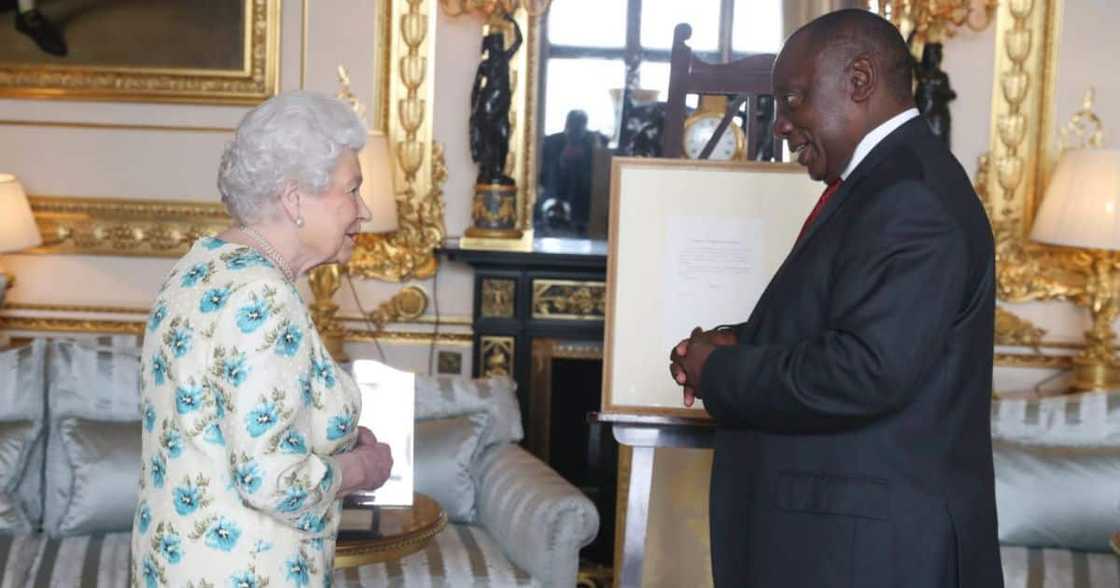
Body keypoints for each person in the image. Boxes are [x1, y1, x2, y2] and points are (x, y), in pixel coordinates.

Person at [669, 10, 1001, 588]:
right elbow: (841, 322)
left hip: (868, 557)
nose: (780, 126)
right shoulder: (884, 183)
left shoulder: (911, 196)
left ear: (860, 81)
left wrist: (721, 370)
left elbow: (865, 370)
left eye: (792, 99)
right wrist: (741, 341)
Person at [131, 91, 394, 587]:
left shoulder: (199, 267)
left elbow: (218, 421)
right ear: (295, 199)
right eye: (352, 189)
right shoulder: (263, 295)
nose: (364, 209)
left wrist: (330, 436)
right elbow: (272, 480)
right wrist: (362, 469)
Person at [469, 12, 521, 186]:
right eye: (496, 44)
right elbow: (476, 89)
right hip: (488, 107)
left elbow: (519, 41)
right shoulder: (485, 65)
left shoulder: (504, 59)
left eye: (500, 43)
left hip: (501, 107)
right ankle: (489, 171)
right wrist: (474, 112)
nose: (499, 46)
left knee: (503, 138)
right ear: (491, 47)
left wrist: (512, 21)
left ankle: (498, 171)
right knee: (490, 140)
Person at [538, 110, 601, 234]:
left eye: (580, 127)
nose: (576, 131)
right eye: (573, 126)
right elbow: (545, 171)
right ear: (567, 125)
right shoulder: (553, 141)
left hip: (581, 189)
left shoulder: (590, 143)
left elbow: (596, 170)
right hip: (555, 186)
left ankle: (576, 220)